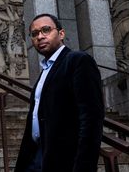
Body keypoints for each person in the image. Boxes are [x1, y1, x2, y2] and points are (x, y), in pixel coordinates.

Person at [15, 13, 104, 172]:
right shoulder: (45, 72)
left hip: (64, 160)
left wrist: (84, 167)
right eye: (35, 34)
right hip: (36, 157)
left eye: (46, 30)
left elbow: (91, 119)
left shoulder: (77, 61)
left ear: (61, 34)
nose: (40, 37)